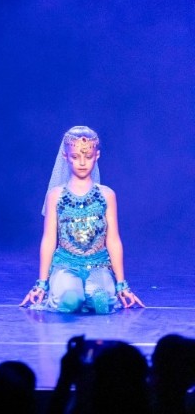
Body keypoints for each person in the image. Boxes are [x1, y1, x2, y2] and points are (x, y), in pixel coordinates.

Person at [19, 125, 144, 313]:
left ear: (97, 155)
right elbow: (49, 239)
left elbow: (113, 240)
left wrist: (122, 285)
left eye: (88, 156)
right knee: (71, 299)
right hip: (65, 265)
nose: (82, 163)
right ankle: (73, 293)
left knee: (101, 301)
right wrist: (41, 284)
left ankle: (93, 294)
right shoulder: (56, 196)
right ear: (65, 156)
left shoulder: (107, 195)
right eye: (75, 157)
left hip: (99, 265)